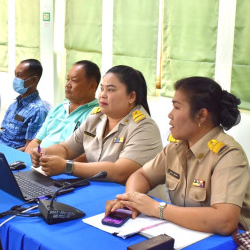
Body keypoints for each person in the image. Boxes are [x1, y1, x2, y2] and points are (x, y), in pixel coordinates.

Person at [105, 76, 250, 235]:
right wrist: (131, 200)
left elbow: (224, 221)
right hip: (186, 233)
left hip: (227, 245)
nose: (170, 115)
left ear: (201, 115)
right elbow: (142, 176)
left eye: (176, 107)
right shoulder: (176, 147)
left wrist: (157, 209)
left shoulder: (228, 155)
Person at [30, 65, 163, 183]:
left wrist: (67, 167)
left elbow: (120, 172)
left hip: (132, 201)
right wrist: (44, 153)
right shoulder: (96, 117)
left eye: (110, 90)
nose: (102, 95)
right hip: (98, 188)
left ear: (131, 97)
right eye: (102, 89)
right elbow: (66, 149)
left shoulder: (144, 128)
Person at [24, 60, 101, 154]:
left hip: (61, 165)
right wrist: (33, 156)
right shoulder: (58, 108)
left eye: (74, 80)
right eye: (67, 79)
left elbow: (86, 156)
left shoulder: (96, 114)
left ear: (91, 86)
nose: (67, 85)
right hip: (38, 162)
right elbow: (36, 141)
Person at [0, 59, 48, 151]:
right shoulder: (15, 104)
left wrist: (6, 154)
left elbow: (30, 148)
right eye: (15, 74)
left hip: (12, 156)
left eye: (19, 75)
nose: (15, 79)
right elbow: (3, 133)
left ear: (33, 80)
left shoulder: (38, 111)